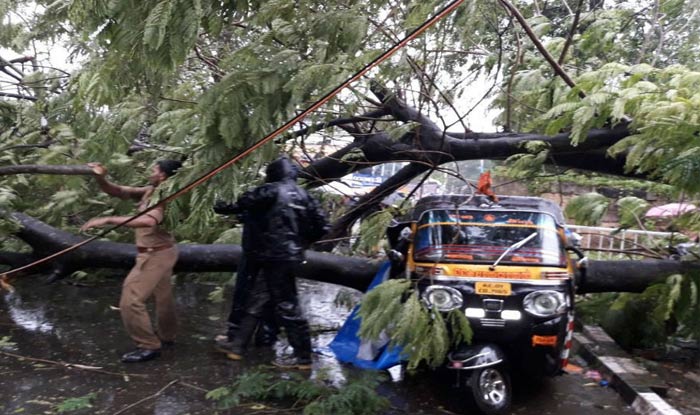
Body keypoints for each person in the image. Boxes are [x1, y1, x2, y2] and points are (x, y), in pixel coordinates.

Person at [214, 155, 328, 369]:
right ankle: (237, 346)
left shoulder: (269, 190)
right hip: (287, 257)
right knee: (258, 300)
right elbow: (323, 226)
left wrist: (220, 204)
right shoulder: (306, 196)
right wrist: (299, 242)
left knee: (287, 305)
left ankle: (303, 357)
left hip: (270, 257)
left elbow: (240, 203)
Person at [80, 160, 182, 363]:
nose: (150, 171)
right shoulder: (150, 191)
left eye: (154, 169)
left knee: (131, 299)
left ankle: (148, 346)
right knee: (163, 298)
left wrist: (108, 220)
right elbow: (115, 190)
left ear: (162, 175)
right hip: (164, 251)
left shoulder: (165, 196)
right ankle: (167, 337)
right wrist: (100, 177)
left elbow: (150, 220)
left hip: (155, 255)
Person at [211, 203, 278, 347]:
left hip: (255, 254)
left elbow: (222, 207)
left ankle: (236, 338)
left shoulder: (261, 196)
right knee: (272, 298)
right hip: (280, 257)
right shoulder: (296, 198)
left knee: (245, 294)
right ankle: (266, 338)